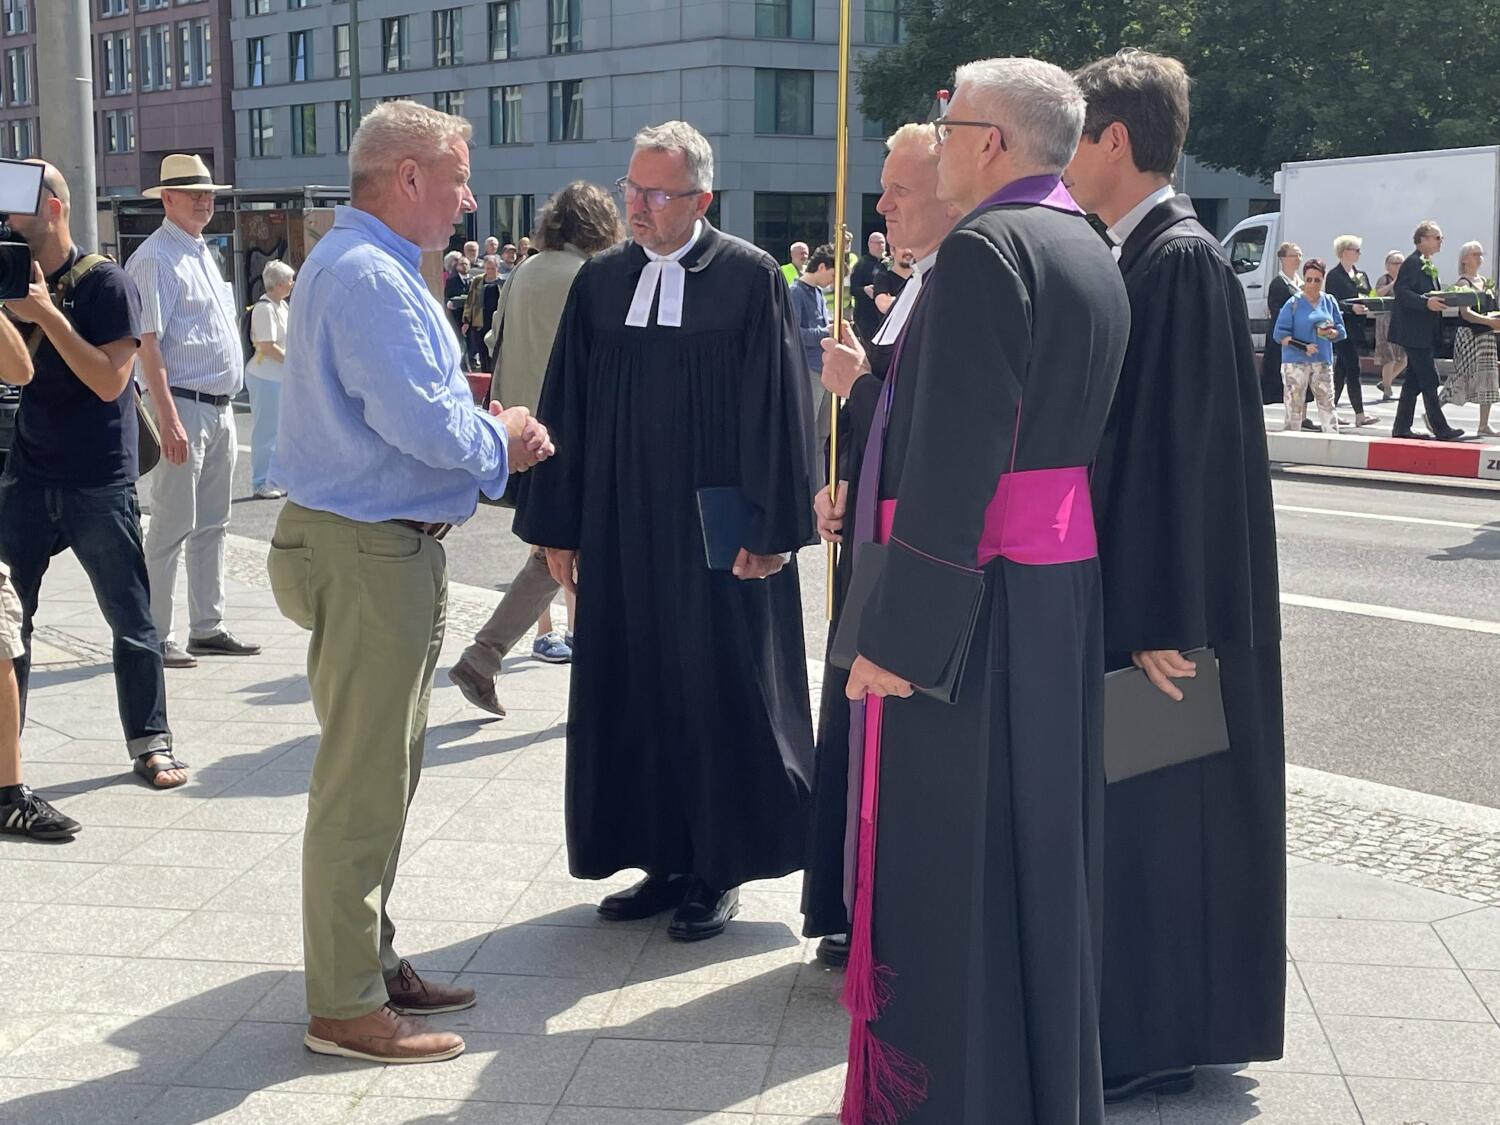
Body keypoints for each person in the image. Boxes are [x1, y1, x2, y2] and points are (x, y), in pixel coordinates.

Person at [835, 59, 1128, 1125]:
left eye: (946, 123)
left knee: (954, 873)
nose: (939, 137)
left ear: (990, 141)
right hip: (1052, 600)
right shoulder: (1087, 247)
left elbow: (955, 462)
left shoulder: (981, 253)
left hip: (972, 612)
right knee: (1038, 863)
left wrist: (896, 639)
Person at [269, 100, 552, 1065]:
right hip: (367, 550)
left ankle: (366, 964)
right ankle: (345, 1003)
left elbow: (414, 412)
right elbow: (424, 425)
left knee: (382, 774)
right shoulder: (371, 278)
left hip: (371, 545)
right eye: (460, 178)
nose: (470, 199)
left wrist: (482, 433)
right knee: (363, 785)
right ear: (408, 179)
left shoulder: (361, 267)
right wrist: (503, 438)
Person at [515, 120, 817, 943]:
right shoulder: (600, 282)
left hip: (715, 533)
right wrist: (560, 523)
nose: (638, 206)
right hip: (622, 524)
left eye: (657, 193)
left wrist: (773, 526)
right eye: (631, 189)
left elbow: (780, 412)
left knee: (717, 686)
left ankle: (717, 866)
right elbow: (565, 402)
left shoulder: (749, 278)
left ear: (701, 199)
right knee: (638, 682)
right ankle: (661, 855)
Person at [1067, 49, 1286, 1103]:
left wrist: (1164, 613)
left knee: (1164, 815)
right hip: (1143, 593)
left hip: (1166, 611)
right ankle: (1140, 1017)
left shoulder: (1181, 260)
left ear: (1115, 141)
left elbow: (1182, 457)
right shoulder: (1137, 251)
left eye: (1073, 135)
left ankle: (1156, 1032)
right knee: (1142, 814)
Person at [801, 121, 960, 972]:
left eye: (900, 188)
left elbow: (923, 428)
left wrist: (855, 384)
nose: (884, 204)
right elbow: (887, 437)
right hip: (877, 540)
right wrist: (846, 490)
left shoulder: (954, 283)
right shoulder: (915, 284)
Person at [0, 160, 181, 792]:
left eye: (15, 205)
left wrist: (47, 314)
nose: (6, 218)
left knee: (131, 619)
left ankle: (151, 742)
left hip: (99, 478)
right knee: (8, 620)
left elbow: (110, 381)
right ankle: (5, 759)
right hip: (27, 472)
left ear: (52, 207)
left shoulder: (106, 283)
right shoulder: (6, 281)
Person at [449, 181, 625, 714]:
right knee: (576, 556)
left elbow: (496, 338)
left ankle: (484, 656)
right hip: (576, 434)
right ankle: (593, 687)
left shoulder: (525, 269)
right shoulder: (589, 274)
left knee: (555, 554)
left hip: (523, 428)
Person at [127, 154, 261, 670]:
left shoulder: (201, 251)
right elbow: (149, 346)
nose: (205, 201)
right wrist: (168, 416)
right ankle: (157, 633)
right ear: (167, 199)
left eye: (209, 193)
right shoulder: (155, 257)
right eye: (193, 193)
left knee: (213, 523)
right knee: (170, 526)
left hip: (218, 405)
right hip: (182, 403)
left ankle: (208, 625)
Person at [1390, 221, 1464, 441]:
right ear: (1422, 239)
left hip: (1423, 332)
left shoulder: (1426, 263)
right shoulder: (1412, 262)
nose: (1441, 241)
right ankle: (1440, 427)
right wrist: (1426, 303)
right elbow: (1401, 292)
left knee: (1413, 381)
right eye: (1437, 237)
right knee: (1430, 379)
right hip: (1414, 332)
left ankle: (1401, 427)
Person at [1274, 257, 1345, 433]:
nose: (1312, 284)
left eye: (1317, 280)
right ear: (1304, 279)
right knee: (1294, 405)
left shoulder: (1329, 301)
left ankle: (1332, 441)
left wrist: (1333, 333)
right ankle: (1291, 441)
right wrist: (1303, 346)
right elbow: (1280, 334)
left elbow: (1341, 330)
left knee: (1327, 403)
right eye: (1309, 280)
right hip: (1296, 361)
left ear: (1323, 279)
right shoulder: (1293, 303)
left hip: (1322, 360)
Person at [246, 259, 294, 500]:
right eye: (289, 280)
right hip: (266, 376)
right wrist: (293, 363)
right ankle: (261, 481)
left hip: (278, 376)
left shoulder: (282, 306)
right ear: (277, 284)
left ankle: (276, 478)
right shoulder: (264, 309)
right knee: (266, 430)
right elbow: (267, 345)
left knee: (280, 430)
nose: (292, 283)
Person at [1449, 241, 1500, 436]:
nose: (1480, 257)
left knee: (1488, 377)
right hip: (1469, 334)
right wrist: (1490, 321)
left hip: (1486, 335)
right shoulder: (1463, 283)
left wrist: (1494, 319)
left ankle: (1484, 424)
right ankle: (1434, 411)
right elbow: (1466, 313)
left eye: (1481, 253)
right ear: (1464, 259)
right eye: (1475, 254)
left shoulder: (1485, 282)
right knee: (1462, 376)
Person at [1325, 235, 1377, 426]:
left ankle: (1330, 411)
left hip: (1358, 327)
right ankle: (1359, 414)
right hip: (1342, 327)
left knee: (1341, 371)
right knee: (1353, 367)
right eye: (1356, 250)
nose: (1359, 253)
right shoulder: (1334, 276)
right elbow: (1332, 302)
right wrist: (1350, 308)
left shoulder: (1360, 274)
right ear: (1344, 252)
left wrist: (1368, 305)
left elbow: (1367, 294)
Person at [791, 243, 835, 443]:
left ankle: (820, 475)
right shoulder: (796, 293)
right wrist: (825, 332)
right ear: (822, 267)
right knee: (810, 434)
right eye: (833, 275)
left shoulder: (817, 292)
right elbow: (793, 333)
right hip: (810, 370)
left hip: (822, 369)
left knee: (821, 435)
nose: (833, 282)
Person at [1260, 242, 1302, 406]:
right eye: (1293, 255)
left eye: (1299, 255)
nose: (1297, 259)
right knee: (1277, 380)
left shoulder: (1301, 283)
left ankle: (1299, 416)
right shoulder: (1278, 284)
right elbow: (1277, 312)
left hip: (1298, 336)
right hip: (1281, 338)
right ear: (1283, 259)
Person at [1373, 250, 1407, 401]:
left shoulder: (1406, 279)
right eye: (1395, 263)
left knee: (1403, 359)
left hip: (1400, 321)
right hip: (1385, 321)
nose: (1399, 266)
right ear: (1388, 266)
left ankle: (1386, 382)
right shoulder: (1384, 279)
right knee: (1390, 357)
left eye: (1401, 263)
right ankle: (1387, 389)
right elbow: (1377, 294)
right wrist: (1393, 283)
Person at [462, 255, 503, 371]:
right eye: (487, 268)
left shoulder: (502, 281)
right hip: (479, 321)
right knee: (482, 351)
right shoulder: (477, 280)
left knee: (494, 353)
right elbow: (470, 301)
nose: (489, 271)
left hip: (495, 321)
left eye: (492, 268)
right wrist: (466, 320)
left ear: (497, 268)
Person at [850, 231, 887, 345]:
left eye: (882, 243)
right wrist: (865, 290)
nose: (880, 246)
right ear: (869, 244)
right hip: (866, 315)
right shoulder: (861, 264)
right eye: (877, 243)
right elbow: (853, 289)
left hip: (883, 314)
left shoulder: (888, 263)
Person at [442, 251, 469, 339]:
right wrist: (449, 303)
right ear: (457, 266)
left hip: (470, 316)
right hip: (457, 314)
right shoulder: (451, 281)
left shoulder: (475, 280)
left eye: (466, 264)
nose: (464, 266)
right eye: (461, 264)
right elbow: (446, 296)